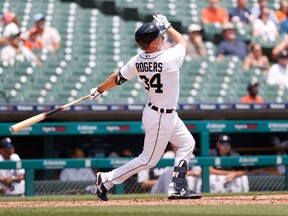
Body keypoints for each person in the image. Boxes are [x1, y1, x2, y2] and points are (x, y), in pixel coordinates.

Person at [89, 14, 201, 201]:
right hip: (160, 117)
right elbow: (183, 42)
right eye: (158, 36)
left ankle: (177, 187)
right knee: (148, 160)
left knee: (187, 143)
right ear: (152, 43)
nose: (162, 37)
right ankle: (106, 179)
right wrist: (170, 26)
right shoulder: (169, 58)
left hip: (163, 113)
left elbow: (117, 78)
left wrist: (99, 89)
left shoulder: (137, 60)